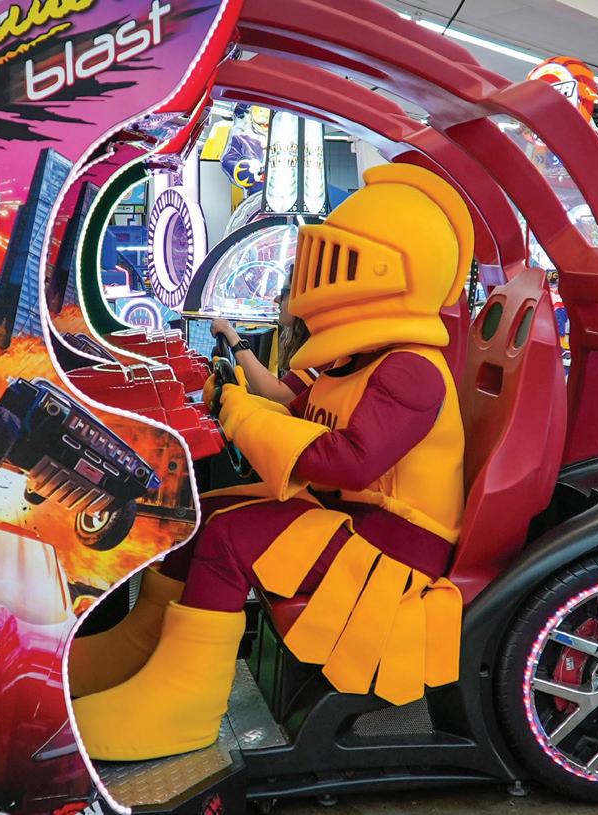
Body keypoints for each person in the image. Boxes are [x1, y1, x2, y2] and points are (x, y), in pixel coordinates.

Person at [69, 164, 473, 762]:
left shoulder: (411, 370)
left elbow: (348, 463)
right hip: (352, 519)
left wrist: (240, 415)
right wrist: (233, 397)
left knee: (231, 538)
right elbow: (295, 410)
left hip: (394, 547)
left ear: (385, 275)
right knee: (199, 515)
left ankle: (184, 706)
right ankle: (143, 650)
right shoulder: (358, 360)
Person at [209, 276, 321, 406]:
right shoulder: (306, 344)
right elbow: (265, 394)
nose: (276, 299)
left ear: (306, 298)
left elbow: (278, 396)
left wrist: (231, 335)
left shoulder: (322, 351)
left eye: (285, 292)